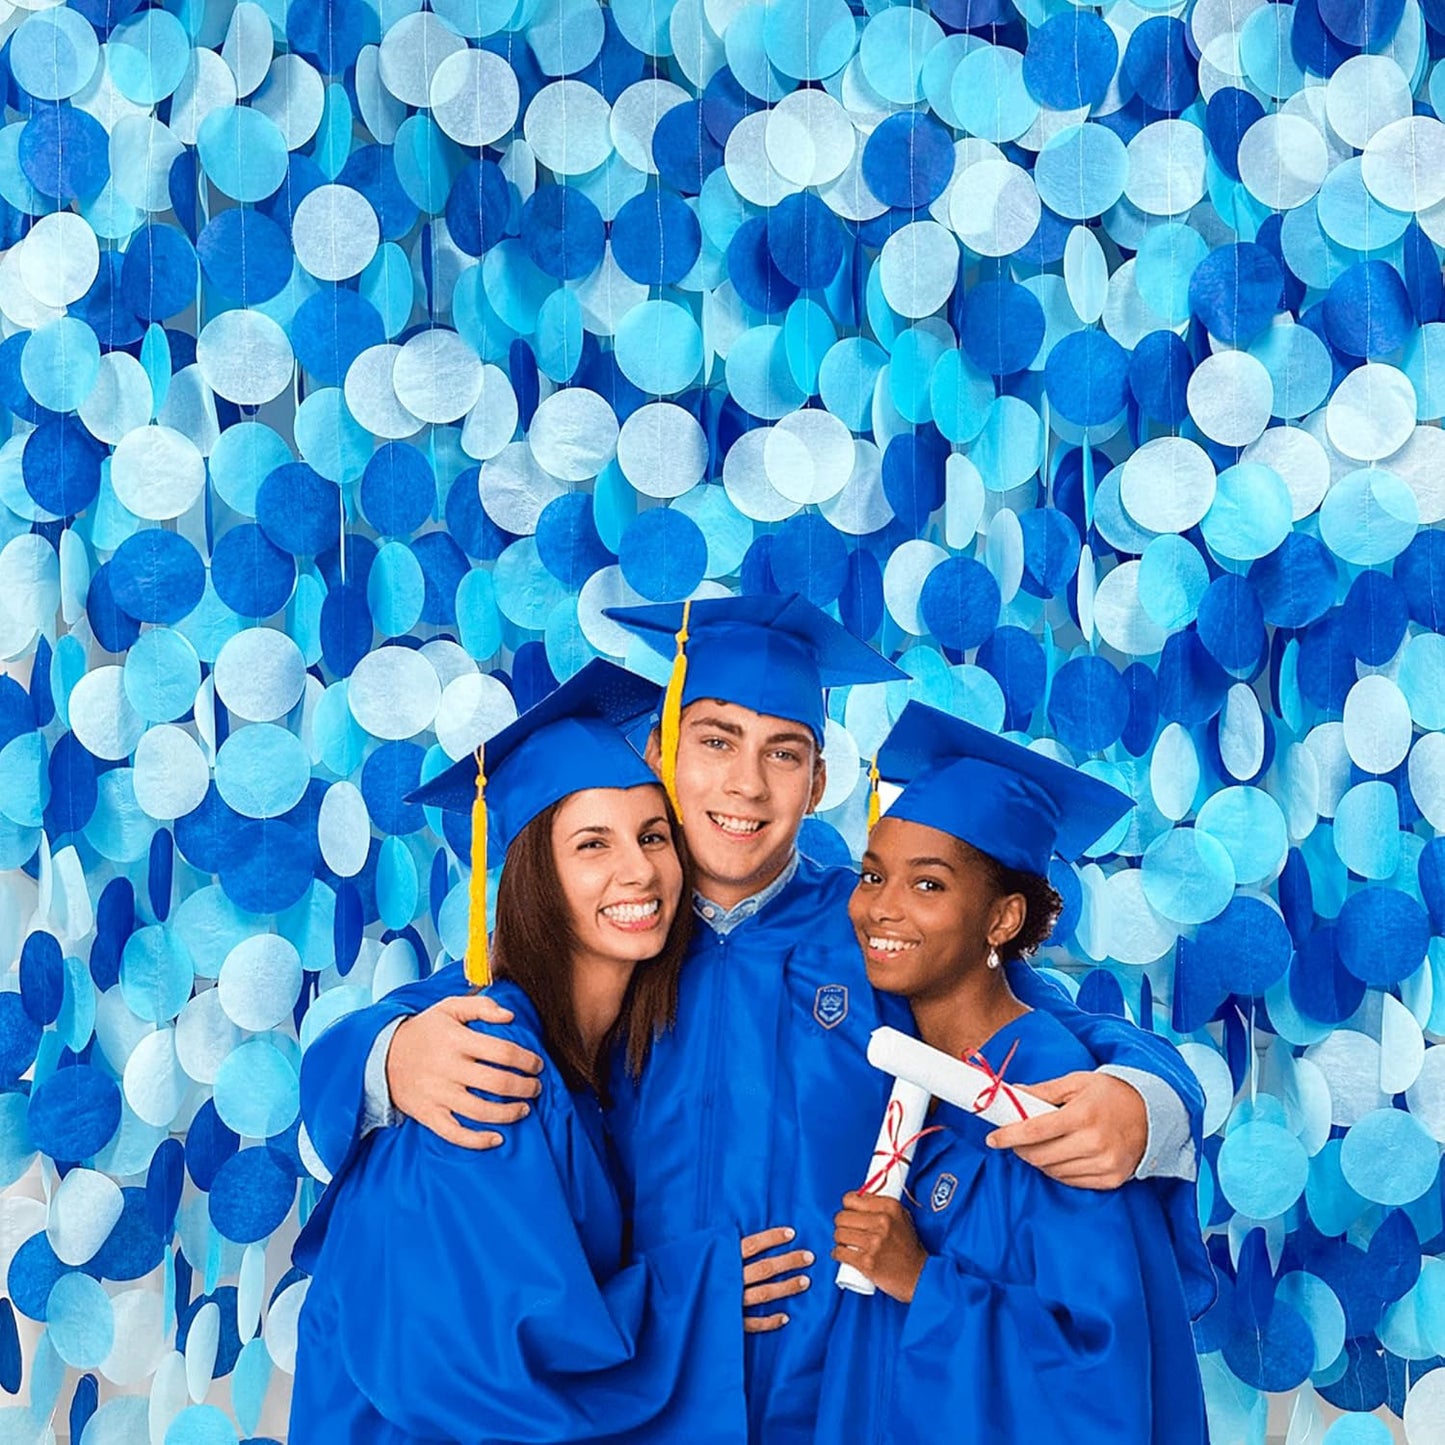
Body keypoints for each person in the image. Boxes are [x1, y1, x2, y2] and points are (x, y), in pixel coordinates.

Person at [299, 595, 1208, 1445]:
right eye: (716, 739)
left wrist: (1142, 1102)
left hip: (833, 1397)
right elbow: (444, 1017)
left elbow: (1042, 1023)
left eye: (783, 751)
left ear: (817, 781)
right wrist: (386, 1058)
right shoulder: (612, 929)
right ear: (662, 753)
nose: (746, 783)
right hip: (627, 1403)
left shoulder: (875, 932)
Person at [290, 661, 753, 1443]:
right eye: (591, 845)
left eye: (651, 835)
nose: (637, 869)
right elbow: (485, 1377)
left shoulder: (608, 1039)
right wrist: (704, 1295)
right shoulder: (484, 1060)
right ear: (536, 875)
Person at [818, 702, 1210, 1443]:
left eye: (928, 885)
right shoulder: (924, 1046)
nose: (881, 909)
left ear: (1000, 920)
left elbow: (1098, 1372)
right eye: (872, 875)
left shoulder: (1054, 1102)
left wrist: (920, 1279)